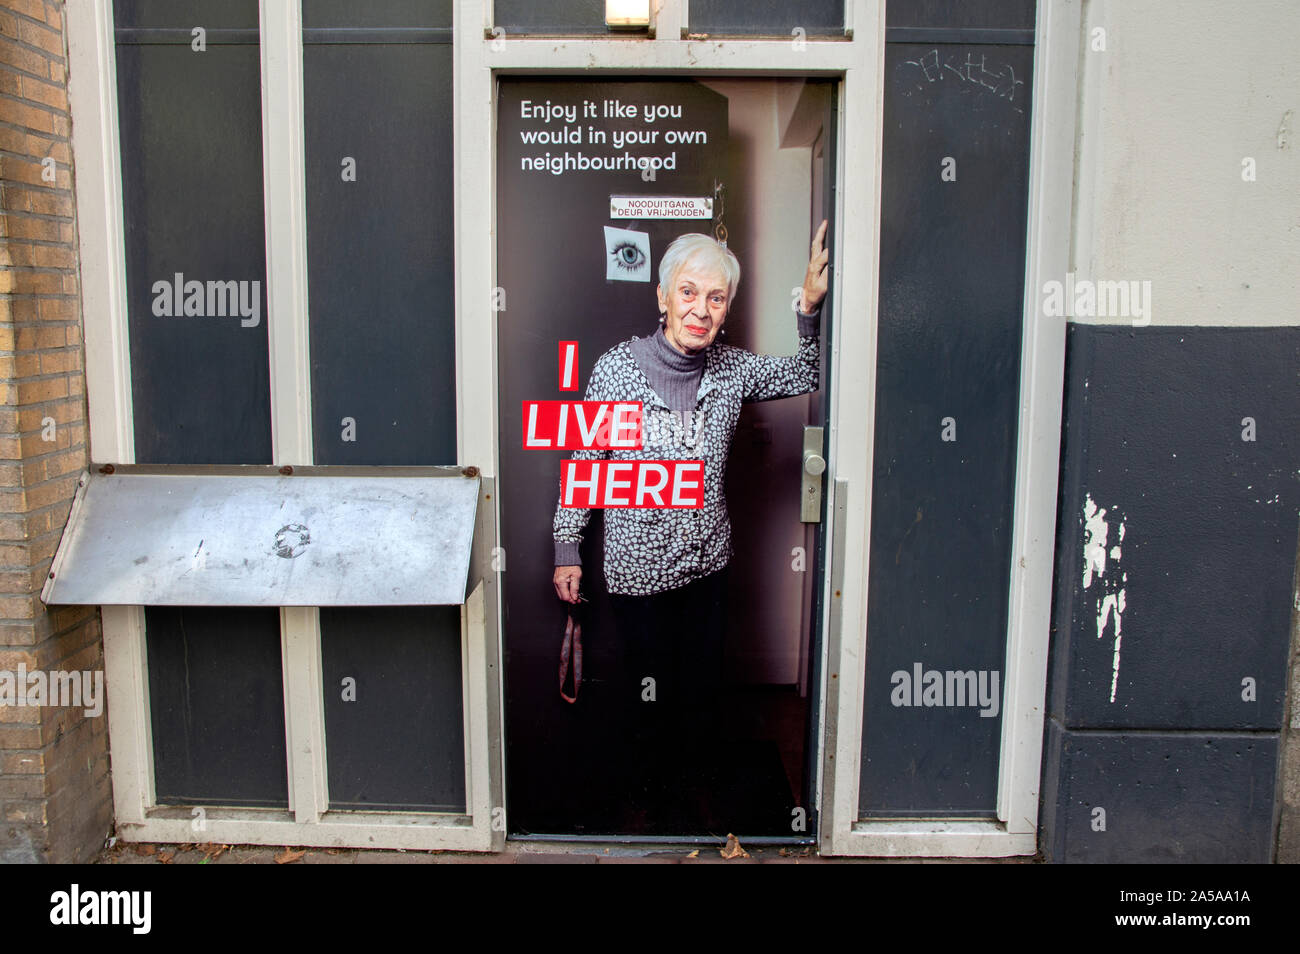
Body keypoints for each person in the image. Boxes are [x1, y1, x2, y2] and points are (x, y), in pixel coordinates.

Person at [551, 221, 830, 768]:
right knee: (647, 698)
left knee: (700, 696)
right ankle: (654, 805)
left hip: (708, 569)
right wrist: (567, 548)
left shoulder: (731, 369)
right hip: (639, 572)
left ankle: (693, 807)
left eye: (716, 297)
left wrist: (809, 305)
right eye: (688, 292)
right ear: (662, 297)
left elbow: (808, 370)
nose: (701, 309)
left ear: (726, 310)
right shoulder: (616, 370)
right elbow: (585, 463)